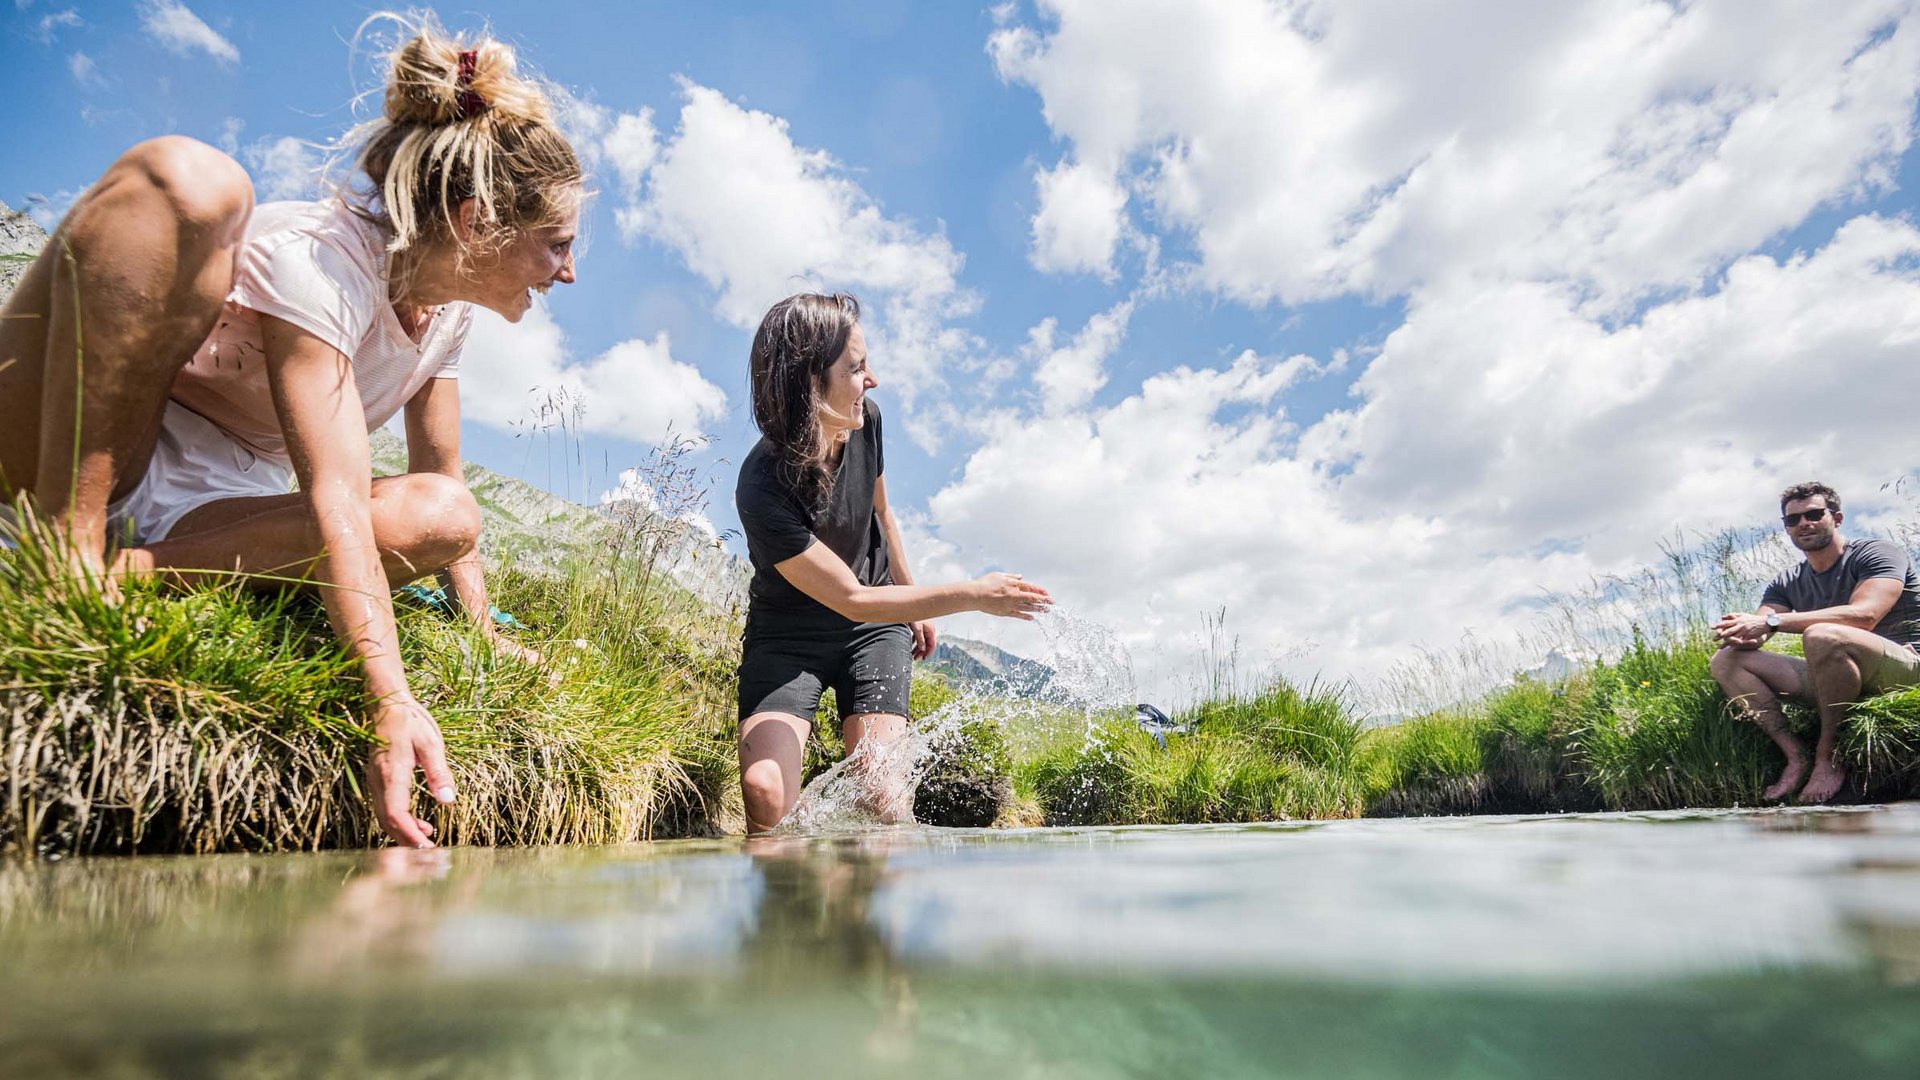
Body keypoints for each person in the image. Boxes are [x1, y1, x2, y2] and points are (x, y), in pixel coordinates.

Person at [0, 14, 581, 847]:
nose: (569, 271)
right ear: (473, 219)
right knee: (193, 181)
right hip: (80, 435)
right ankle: (66, 553)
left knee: (447, 512)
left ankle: (122, 574)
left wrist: (482, 630)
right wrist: (389, 698)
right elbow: (334, 495)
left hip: (209, 508)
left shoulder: (446, 314)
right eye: (556, 244)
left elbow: (440, 473)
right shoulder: (321, 261)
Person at [733, 293, 1052, 833]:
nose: (873, 380)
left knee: (882, 794)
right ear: (810, 382)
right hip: (788, 636)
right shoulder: (761, 486)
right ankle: (790, 885)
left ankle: (867, 886)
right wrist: (975, 594)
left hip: (873, 628)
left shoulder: (867, 422)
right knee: (765, 792)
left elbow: (882, 512)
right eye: (856, 368)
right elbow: (849, 597)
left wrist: (912, 600)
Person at [1710, 481, 1920, 803]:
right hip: (1839, 672)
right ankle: (1796, 757)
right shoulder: (1786, 581)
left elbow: (1865, 615)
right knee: (1727, 660)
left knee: (1821, 634)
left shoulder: (1877, 553)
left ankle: (1828, 755)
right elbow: (1761, 625)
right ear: (1787, 528)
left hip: (1905, 669)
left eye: (1814, 514)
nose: (1804, 524)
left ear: (1837, 518)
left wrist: (1770, 622)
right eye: (1793, 519)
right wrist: (1739, 632)